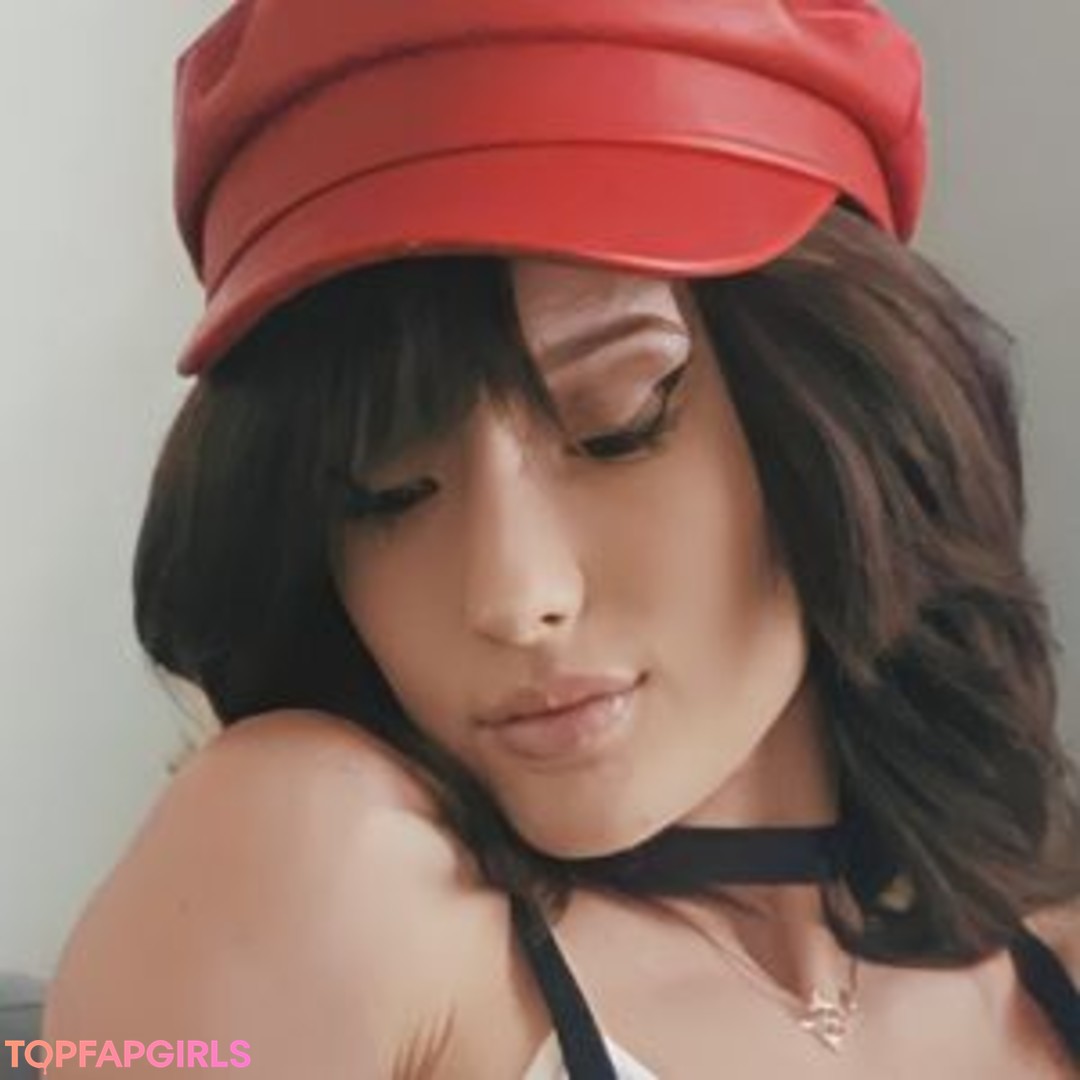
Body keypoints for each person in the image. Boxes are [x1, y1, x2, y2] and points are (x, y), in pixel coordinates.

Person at [44, 1, 1080, 1076]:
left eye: (618, 424)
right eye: (384, 493)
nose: (512, 595)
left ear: (839, 413)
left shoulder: (1050, 968)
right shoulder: (312, 866)